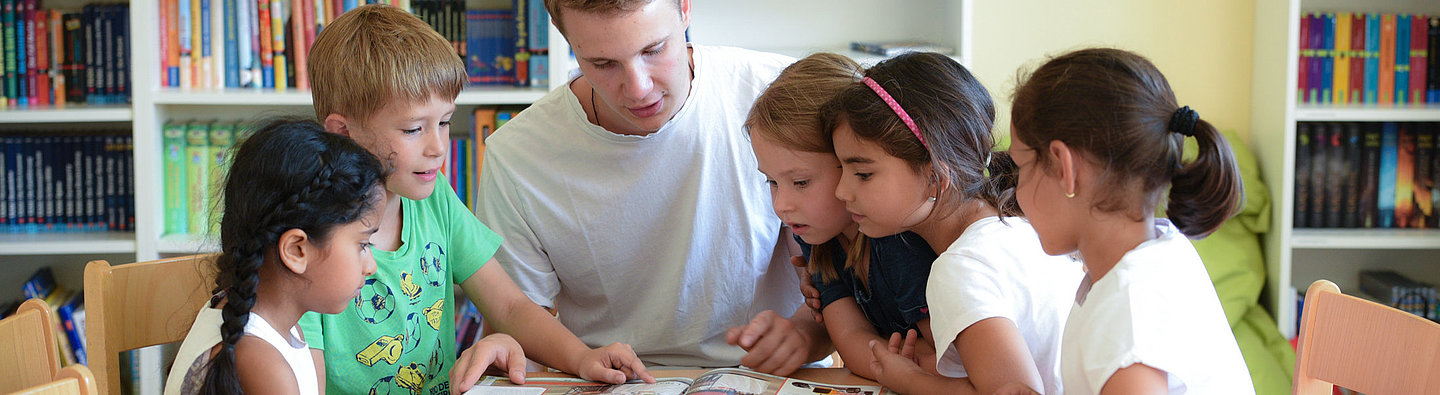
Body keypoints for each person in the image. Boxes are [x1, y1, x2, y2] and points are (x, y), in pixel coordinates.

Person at [302, 5, 652, 394]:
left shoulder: (436, 202)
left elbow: (510, 308)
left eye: (445, 122)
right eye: (414, 128)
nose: (438, 147)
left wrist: (582, 357)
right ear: (343, 132)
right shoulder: (312, 242)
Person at [476, 0, 831, 375]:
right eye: (603, 64)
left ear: (685, 8)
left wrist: (806, 334)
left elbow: (850, 288)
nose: (639, 88)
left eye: (653, 50)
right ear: (563, 35)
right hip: (610, 379)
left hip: (773, 377)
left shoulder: (778, 97)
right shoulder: (517, 155)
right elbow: (514, 328)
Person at [824, 52, 1081, 395]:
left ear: (935, 174)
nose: (842, 191)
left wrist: (909, 380)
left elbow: (1017, 391)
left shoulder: (960, 269)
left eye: (863, 174)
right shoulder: (1018, 226)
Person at [1007, 47, 1254, 394]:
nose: (1015, 192)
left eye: (1020, 167)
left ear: (1065, 168)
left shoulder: (1130, 314)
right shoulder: (1157, 252)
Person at [745, 52, 938, 380]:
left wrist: (891, 360)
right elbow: (849, 340)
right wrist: (890, 361)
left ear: (853, 163)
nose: (781, 205)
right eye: (773, 182)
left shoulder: (900, 242)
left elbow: (941, 359)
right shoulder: (817, 235)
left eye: (801, 182)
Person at [163, 119, 390, 395]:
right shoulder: (262, 364)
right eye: (363, 245)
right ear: (296, 250)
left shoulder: (275, 324)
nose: (371, 266)